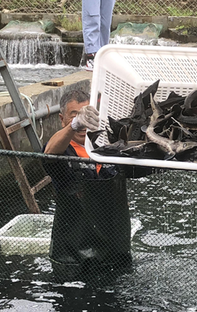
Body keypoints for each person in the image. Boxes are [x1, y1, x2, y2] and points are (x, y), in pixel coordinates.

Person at [43, 89, 133, 279]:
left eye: (87, 115)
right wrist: (74, 126)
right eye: (74, 116)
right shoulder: (62, 150)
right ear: (62, 119)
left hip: (115, 257)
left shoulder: (110, 148)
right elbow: (49, 153)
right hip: (73, 262)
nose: (83, 123)